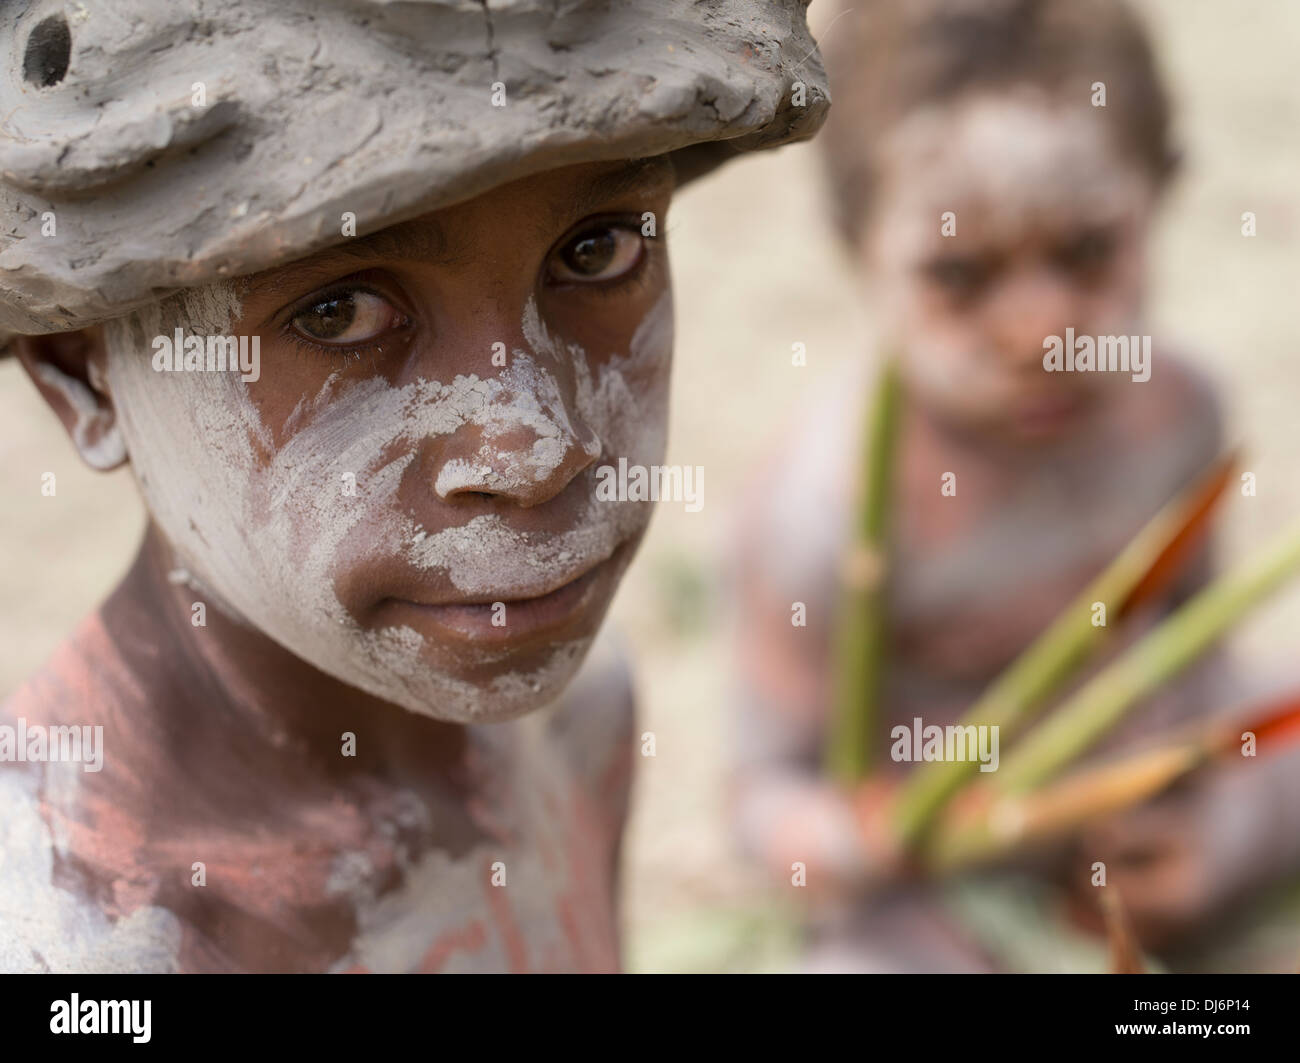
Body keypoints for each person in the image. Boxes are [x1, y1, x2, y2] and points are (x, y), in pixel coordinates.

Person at [0, 0, 828, 973]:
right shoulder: (79, 950)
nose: (536, 451)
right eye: (339, 313)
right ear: (85, 376)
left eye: (596, 251)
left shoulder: (572, 726)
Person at [727, 0, 1300, 970]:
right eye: (959, 274)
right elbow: (763, 800)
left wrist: (1213, 838)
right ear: (854, 245)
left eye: (1087, 252)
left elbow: (1200, 662)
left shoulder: (1179, 413)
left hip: (1134, 815)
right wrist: (863, 842)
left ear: (1160, 193)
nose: (1041, 333)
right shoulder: (819, 506)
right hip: (941, 888)